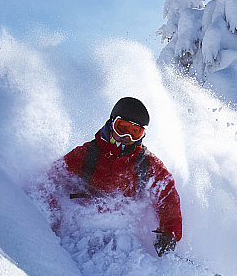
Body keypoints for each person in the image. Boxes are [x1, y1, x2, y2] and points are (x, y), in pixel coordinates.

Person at [53, 97, 182, 256]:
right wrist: (51, 217)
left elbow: (167, 195)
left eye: (135, 132)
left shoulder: (146, 163)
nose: (127, 137)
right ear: (112, 122)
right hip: (79, 235)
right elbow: (53, 177)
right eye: (122, 128)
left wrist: (169, 232)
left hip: (122, 238)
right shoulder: (88, 154)